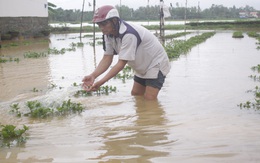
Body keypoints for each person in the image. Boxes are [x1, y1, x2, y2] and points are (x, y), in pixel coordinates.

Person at [82, 5, 171, 100]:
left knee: (149, 99)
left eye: (104, 24)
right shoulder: (108, 34)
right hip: (142, 65)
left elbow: (121, 64)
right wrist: (93, 75)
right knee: (136, 94)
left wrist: (100, 82)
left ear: (114, 21)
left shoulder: (129, 34)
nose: (101, 28)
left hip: (156, 63)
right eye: (99, 25)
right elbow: (107, 58)